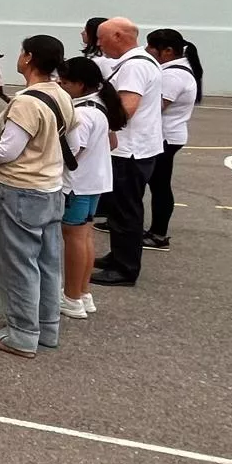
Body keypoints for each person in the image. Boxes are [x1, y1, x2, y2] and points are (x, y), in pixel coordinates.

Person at [0, 35, 76, 358]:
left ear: (28, 58)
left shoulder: (27, 102)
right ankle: (46, 326)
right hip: (50, 188)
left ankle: (22, 333)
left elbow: (7, 150)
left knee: (16, 262)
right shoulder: (62, 96)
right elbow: (74, 137)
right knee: (47, 260)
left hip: (19, 190)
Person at [91, 17, 162, 287]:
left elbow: (127, 109)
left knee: (125, 210)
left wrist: (93, 121)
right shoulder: (138, 62)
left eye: (101, 37)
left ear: (119, 36)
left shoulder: (133, 67)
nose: (98, 44)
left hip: (129, 150)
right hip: (137, 148)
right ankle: (119, 256)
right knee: (122, 209)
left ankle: (125, 268)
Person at [56, 57, 120, 320]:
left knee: (74, 239)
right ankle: (82, 292)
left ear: (80, 84)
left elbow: (74, 152)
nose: (60, 86)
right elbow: (112, 143)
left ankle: (71, 297)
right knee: (85, 236)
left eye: (65, 82)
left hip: (76, 185)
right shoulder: (100, 107)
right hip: (95, 182)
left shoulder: (80, 113)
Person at [144, 28, 201, 252]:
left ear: (168, 51)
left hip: (166, 137)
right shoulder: (172, 70)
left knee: (159, 186)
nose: (147, 51)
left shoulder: (173, 76)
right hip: (167, 135)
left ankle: (158, 234)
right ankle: (156, 232)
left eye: (151, 48)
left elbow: (155, 107)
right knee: (158, 184)